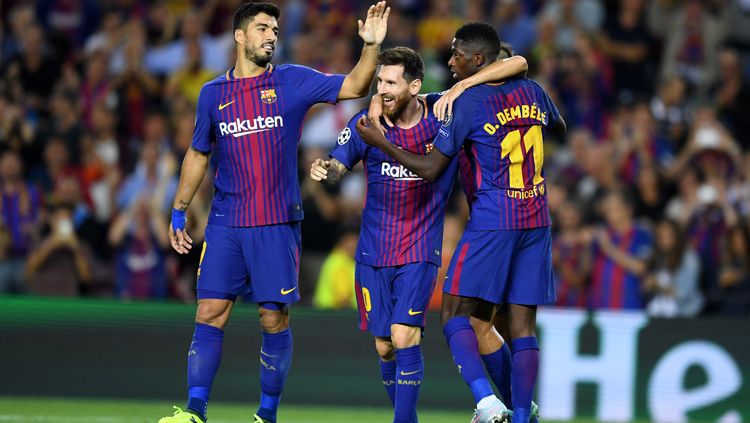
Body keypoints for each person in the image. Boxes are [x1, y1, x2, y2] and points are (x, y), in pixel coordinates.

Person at [160, 3, 391, 423]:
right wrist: (179, 209)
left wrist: (371, 48)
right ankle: (194, 412)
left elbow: (357, 85)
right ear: (239, 36)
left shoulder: (292, 81)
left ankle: (266, 415)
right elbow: (198, 153)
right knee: (209, 312)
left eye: (275, 29)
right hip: (226, 222)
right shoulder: (212, 94)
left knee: (273, 318)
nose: (271, 35)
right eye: (262, 28)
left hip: (276, 222)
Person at [356, 23, 565, 423]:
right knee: (518, 326)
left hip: (493, 217)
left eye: (456, 56)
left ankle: (486, 403)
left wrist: (382, 143)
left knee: (453, 313)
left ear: (478, 60)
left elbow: (433, 168)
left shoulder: (466, 103)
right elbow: (559, 127)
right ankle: (523, 416)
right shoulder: (535, 91)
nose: (450, 63)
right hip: (537, 218)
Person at [310, 46, 527, 423]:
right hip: (373, 252)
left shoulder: (444, 114)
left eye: (391, 82)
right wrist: (323, 169)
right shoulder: (366, 123)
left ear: (415, 85)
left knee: (403, 333)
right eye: (380, 81)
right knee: (384, 347)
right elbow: (337, 167)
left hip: (419, 248)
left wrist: (462, 87)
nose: (382, 89)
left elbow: (517, 64)